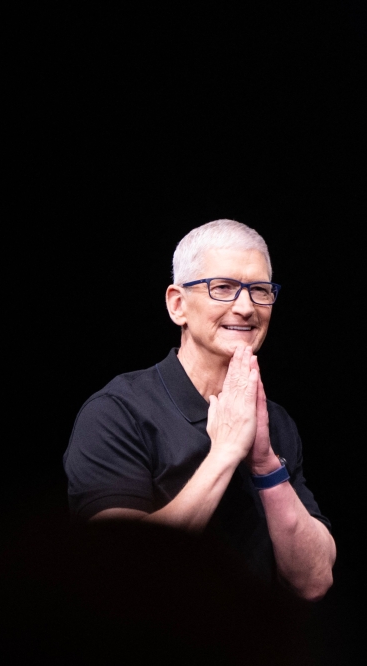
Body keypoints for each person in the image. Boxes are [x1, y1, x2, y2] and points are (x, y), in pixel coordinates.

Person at [63, 219, 335, 601]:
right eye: (222, 288)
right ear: (178, 304)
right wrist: (224, 453)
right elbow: (120, 566)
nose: (245, 307)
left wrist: (266, 467)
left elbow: (314, 581)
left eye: (259, 290)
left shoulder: (275, 422)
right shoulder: (117, 413)